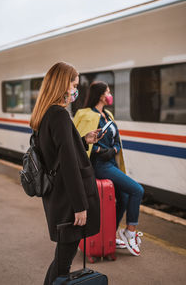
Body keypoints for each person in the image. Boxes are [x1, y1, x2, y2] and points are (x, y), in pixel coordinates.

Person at [30, 62, 100, 284]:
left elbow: (57, 152)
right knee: (63, 261)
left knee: (63, 257)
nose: (75, 90)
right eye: (74, 85)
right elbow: (69, 164)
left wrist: (82, 141)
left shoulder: (46, 114)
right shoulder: (59, 115)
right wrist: (80, 206)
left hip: (57, 196)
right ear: (63, 84)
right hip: (69, 199)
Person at [73, 81, 144, 256]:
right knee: (137, 190)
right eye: (108, 91)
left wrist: (113, 150)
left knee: (126, 197)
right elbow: (77, 140)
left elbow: (117, 141)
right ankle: (130, 232)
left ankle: (111, 235)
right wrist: (98, 150)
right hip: (99, 165)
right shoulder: (84, 114)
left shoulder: (108, 115)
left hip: (111, 163)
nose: (110, 94)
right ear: (100, 95)